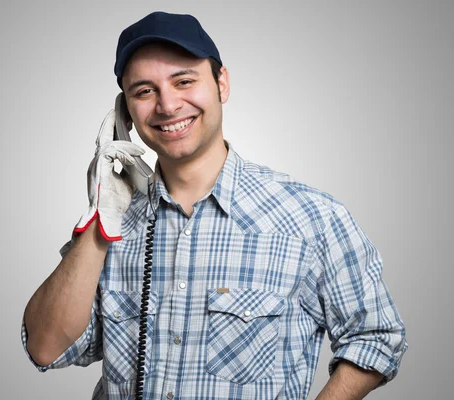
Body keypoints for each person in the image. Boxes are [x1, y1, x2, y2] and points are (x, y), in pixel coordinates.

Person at [21, 11, 407, 400]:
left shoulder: (312, 218)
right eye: (144, 91)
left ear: (221, 83)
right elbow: (45, 347)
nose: (168, 105)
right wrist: (100, 223)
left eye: (184, 81)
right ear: (126, 112)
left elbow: (376, 336)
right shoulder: (112, 225)